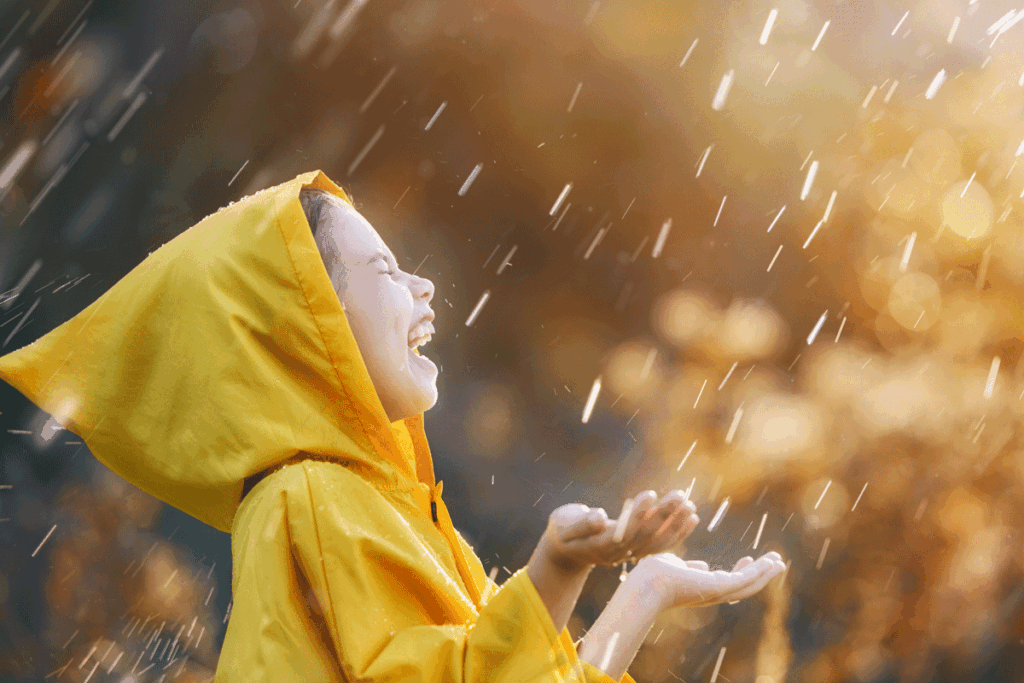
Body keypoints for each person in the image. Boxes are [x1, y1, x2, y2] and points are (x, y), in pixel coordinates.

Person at [0, 170, 785, 682]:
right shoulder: (310, 496)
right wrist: (627, 589)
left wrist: (577, 572)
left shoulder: (369, 502)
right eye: (383, 271)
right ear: (306, 326)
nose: (426, 286)